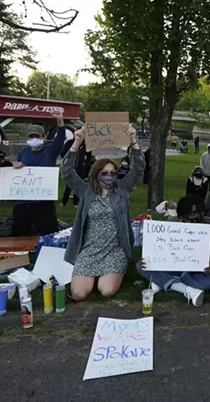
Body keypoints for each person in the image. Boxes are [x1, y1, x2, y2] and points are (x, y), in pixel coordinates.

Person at [63, 126, 144, 301]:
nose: (109, 176)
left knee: (106, 291)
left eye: (113, 173)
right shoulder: (86, 191)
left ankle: (106, 277)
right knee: (78, 294)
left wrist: (134, 143)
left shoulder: (121, 189)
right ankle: (91, 277)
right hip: (89, 249)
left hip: (115, 249)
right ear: (96, 174)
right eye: (105, 173)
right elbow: (67, 172)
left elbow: (138, 169)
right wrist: (76, 143)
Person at [136, 194, 210, 307]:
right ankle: (187, 289)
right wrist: (149, 258)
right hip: (174, 266)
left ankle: (166, 282)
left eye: (199, 212)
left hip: (200, 269)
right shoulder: (171, 223)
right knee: (141, 266)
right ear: (182, 215)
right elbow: (159, 247)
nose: (196, 216)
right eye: (191, 213)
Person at [11, 114, 66, 236]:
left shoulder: (51, 151)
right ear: (28, 138)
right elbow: (18, 171)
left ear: (44, 137)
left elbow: (60, 139)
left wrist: (60, 122)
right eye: (31, 136)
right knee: (17, 233)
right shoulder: (23, 152)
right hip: (24, 202)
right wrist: (17, 167)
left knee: (50, 233)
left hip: (44, 202)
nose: (34, 138)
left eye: (37, 136)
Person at [60, 135, 91, 207]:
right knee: (69, 185)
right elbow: (63, 153)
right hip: (71, 167)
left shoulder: (85, 144)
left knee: (79, 185)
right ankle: (64, 202)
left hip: (81, 168)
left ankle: (75, 202)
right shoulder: (70, 142)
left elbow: (89, 155)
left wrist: (85, 164)